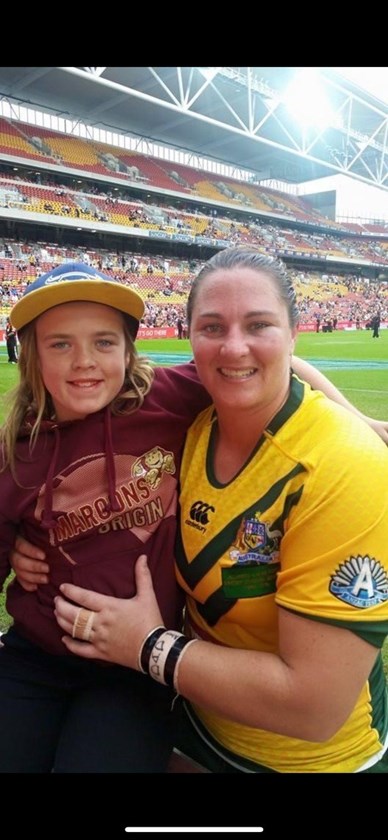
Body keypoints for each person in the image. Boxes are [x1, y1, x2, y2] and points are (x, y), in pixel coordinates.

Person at [46, 249, 388, 774]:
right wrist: (42, 540)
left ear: (294, 332)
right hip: (194, 719)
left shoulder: (346, 467)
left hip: (305, 761)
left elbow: (315, 707)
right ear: (191, 338)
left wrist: (147, 646)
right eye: (212, 327)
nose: (233, 347)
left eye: (259, 324)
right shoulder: (197, 421)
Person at [0, 260, 212, 773]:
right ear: (30, 355)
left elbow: (279, 368)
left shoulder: (165, 399)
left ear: (127, 349)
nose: (83, 362)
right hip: (35, 657)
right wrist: (13, 548)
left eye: (103, 342)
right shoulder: (16, 454)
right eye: (60, 344)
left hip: (136, 667)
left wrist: (361, 423)